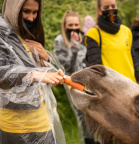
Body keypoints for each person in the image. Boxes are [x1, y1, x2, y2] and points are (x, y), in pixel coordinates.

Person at [0, 0, 66, 143]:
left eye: (35, 12)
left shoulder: (29, 31)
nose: (31, 18)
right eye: (26, 11)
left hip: (41, 118)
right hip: (14, 124)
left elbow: (44, 76)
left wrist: (45, 59)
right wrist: (33, 75)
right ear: (14, 7)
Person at [53, 11, 94, 144]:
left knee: (94, 113)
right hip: (72, 82)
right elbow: (66, 67)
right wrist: (74, 47)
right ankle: (87, 141)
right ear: (65, 26)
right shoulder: (60, 41)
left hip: (89, 81)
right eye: (70, 25)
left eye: (76, 24)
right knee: (82, 115)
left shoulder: (84, 38)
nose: (73, 28)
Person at [84, 0, 139, 85]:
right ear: (99, 10)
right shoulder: (94, 34)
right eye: (106, 7)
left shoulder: (126, 31)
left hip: (132, 87)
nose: (110, 10)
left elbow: (134, 63)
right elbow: (96, 70)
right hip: (112, 91)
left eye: (113, 6)